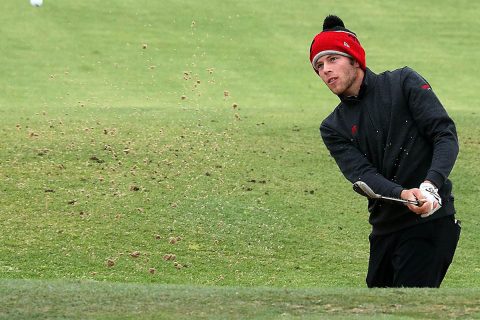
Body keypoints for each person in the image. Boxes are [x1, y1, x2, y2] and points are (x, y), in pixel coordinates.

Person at [309, 15, 461, 288]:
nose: (325, 71)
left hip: (430, 222)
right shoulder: (333, 126)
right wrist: (403, 194)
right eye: (318, 66)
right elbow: (363, 176)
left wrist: (430, 185)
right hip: (384, 230)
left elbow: (444, 135)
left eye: (333, 59)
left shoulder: (404, 83)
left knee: (406, 310)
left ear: (354, 58)